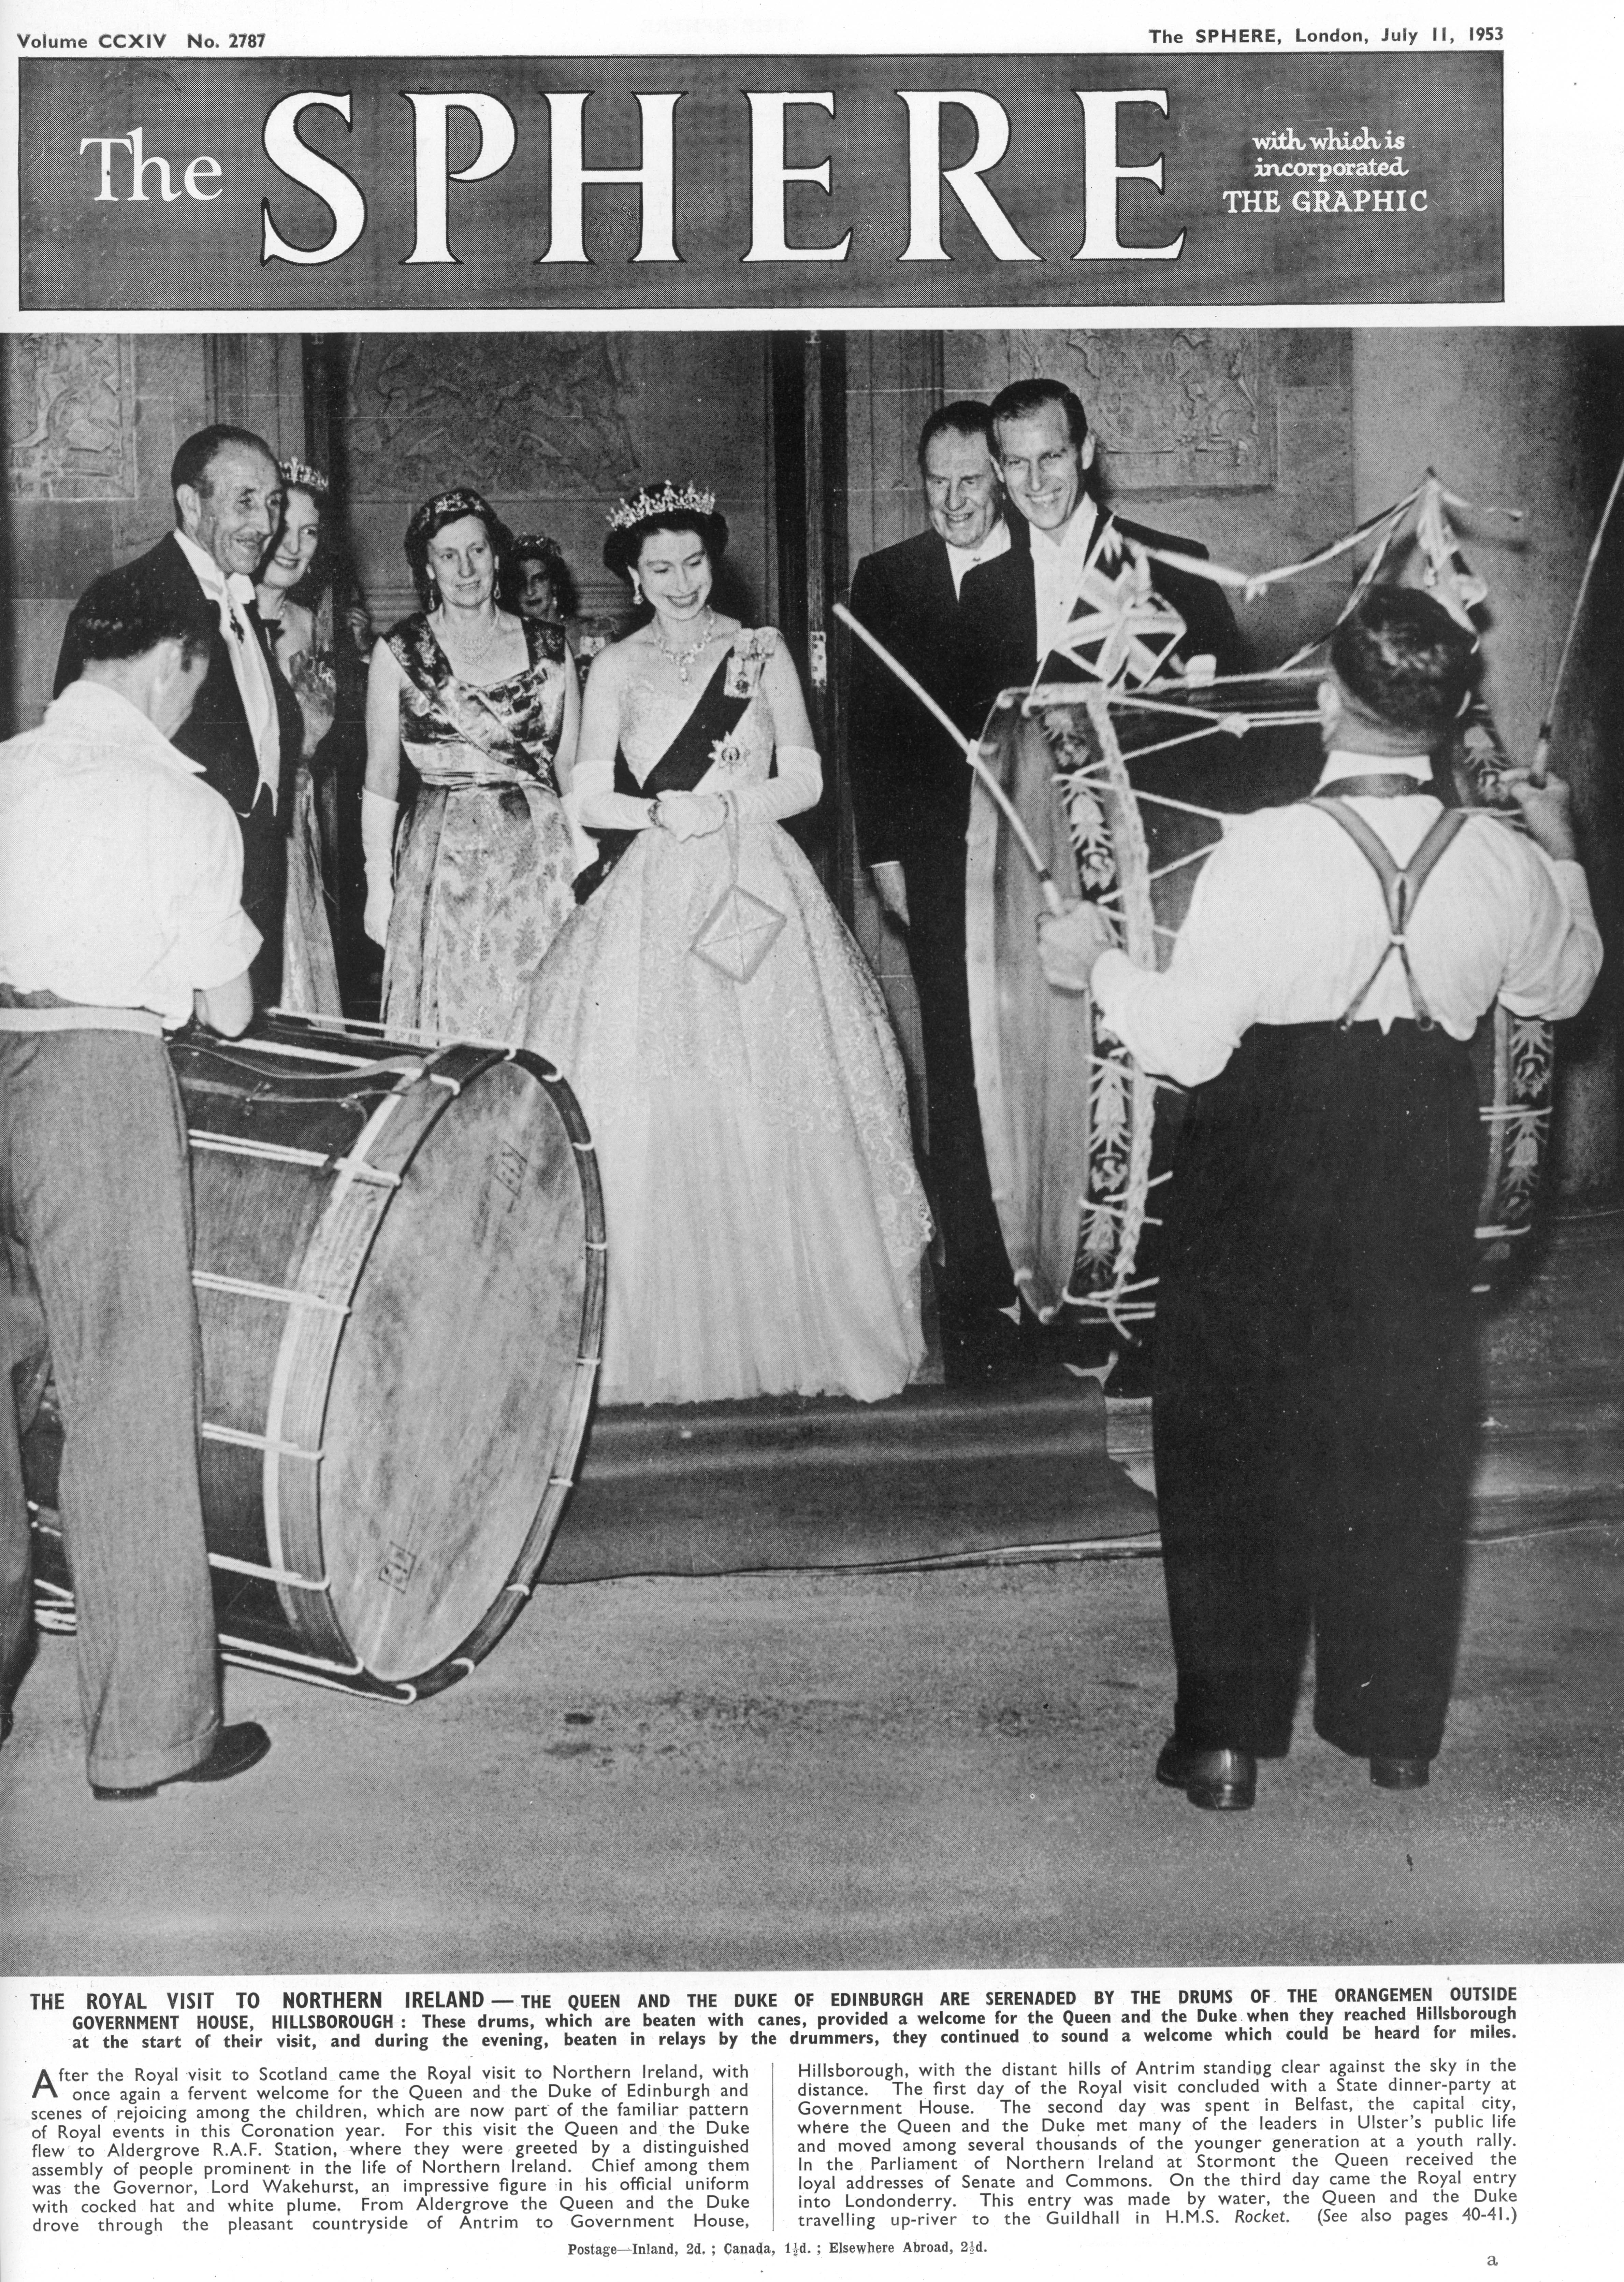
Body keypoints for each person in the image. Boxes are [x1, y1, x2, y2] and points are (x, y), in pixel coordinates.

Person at [1036, 587, 1602, 1810]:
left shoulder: (1260, 853)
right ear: (1452, 715)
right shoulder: (1503, 863)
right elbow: (1561, 986)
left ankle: (1225, 1741)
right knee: (1402, 1429)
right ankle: (1393, 1726)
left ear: (1325, 698)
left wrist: (1098, 966)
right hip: (1416, 1147)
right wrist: (1558, 846)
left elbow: (1185, 1044)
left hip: (1264, 1149)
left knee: (1228, 1433)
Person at [525, 481, 932, 1406]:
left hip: (760, 878)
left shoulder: (759, 652)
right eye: (660, 568)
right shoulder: (618, 665)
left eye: (694, 562)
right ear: (633, 574)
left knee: (775, 1083)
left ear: (716, 559)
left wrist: (727, 806)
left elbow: (809, 778)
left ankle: (802, 1320)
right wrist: (661, 812)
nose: (681, 583)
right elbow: (586, 795)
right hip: (664, 880)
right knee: (677, 1088)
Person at [1, 565, 272, 1799]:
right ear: (171, 665)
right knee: (124, 1387)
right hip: (96, 1075)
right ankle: (151, 1731)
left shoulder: (5, 767)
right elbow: (228, 1001)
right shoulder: (181, 805)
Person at [847, 402, 1023, 1384]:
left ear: (999, 475)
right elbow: (870, 732)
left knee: (1033, 1059)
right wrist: (883, 857)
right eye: (936, 483)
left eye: (971, 482)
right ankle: (978, 1276)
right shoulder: (888, 578)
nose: (953, 502)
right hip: (933, 860)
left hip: (1030, 860)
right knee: (955, 1062)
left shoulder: (1040, 570)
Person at [55, 424, 303, 1010]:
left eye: (272, 504)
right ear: (192, 503)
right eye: (245, 500)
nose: (266, 524)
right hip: (167, 906)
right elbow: (88, 767)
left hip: (250, 892)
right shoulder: (130, 596)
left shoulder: (242, 601)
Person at [362, 487, 581, 1043]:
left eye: (477, 551)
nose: (466, 568)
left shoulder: (551, 647)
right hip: (443, 858)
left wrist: (587, 864)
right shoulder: (400, 652)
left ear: (497, 556)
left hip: (536, 853)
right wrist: (376, 886)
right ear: (428, 568)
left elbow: (571, 771)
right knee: (453, 1019)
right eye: (448, 555)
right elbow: (382, 777)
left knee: (538, 1013)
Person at [957, 376, 1246, 726]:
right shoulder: (981, 588)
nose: (1036, 483)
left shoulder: (1172, 567)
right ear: (998, 470)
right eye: (1017, 463)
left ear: (1085, 451)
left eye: (1050, 456)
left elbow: (1228, 718)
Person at [256, 457, 342, 1015]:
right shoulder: (220, 616)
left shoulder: (314, 625)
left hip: (300, 821)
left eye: (308, 532)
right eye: (284, 528)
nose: (293, 546)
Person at [506, 531, 580, 627]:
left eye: (539, 579)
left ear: (555, 583)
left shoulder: (580, 633)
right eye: (522, 581)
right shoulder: (506, 638)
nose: (530, 591)